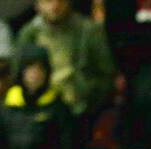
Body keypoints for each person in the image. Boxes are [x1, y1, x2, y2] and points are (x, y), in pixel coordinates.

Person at [14, 0, 116, 130]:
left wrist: (88, 95)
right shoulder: (29, 33)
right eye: (48, 1)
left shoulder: (88, 31)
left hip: (80, 110)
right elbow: (18, 73)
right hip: (38, 111)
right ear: (37, 4)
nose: (55, 6)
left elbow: (106, 74)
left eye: (61, 1)